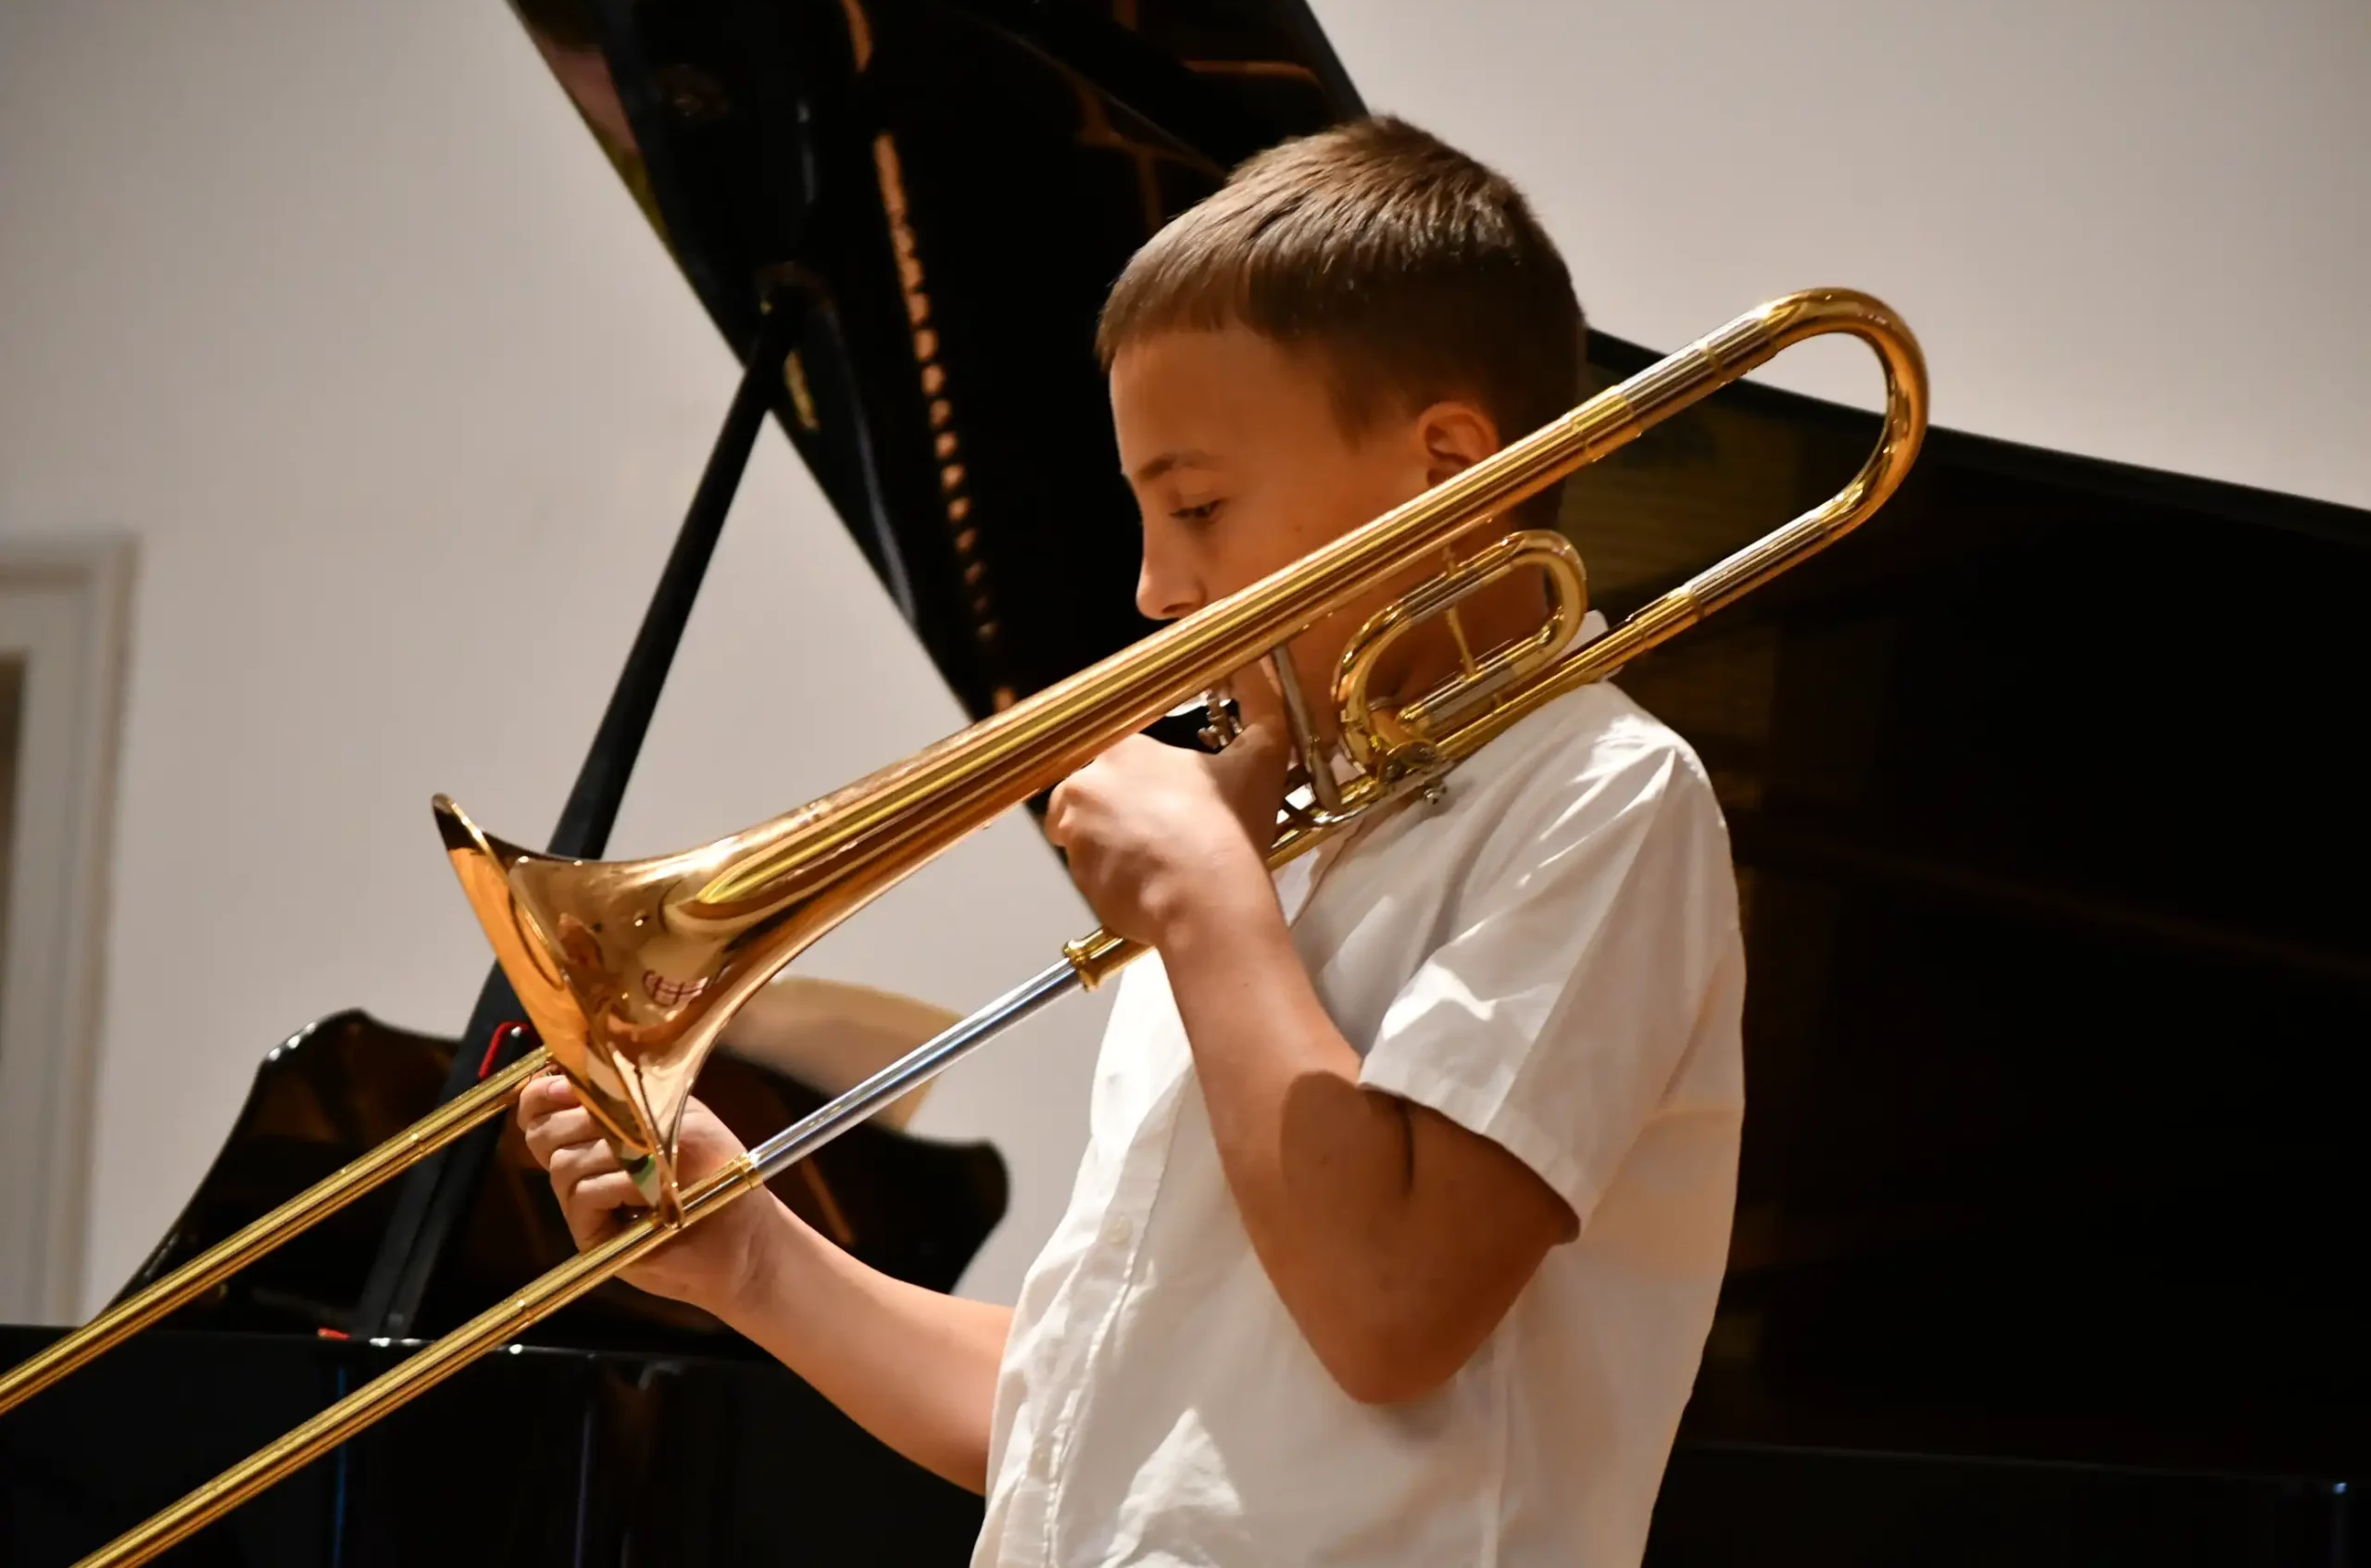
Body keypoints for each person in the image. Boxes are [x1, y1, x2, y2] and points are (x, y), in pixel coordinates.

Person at [520, 115, 1744, 1567]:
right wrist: (753, 1259)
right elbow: (1089, 1418)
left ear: (1444, 471)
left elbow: (1390, 1310)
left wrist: (1210, 902)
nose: (1158, 586)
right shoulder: (1256, 856)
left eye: (1200, 505)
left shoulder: (1605, 796)